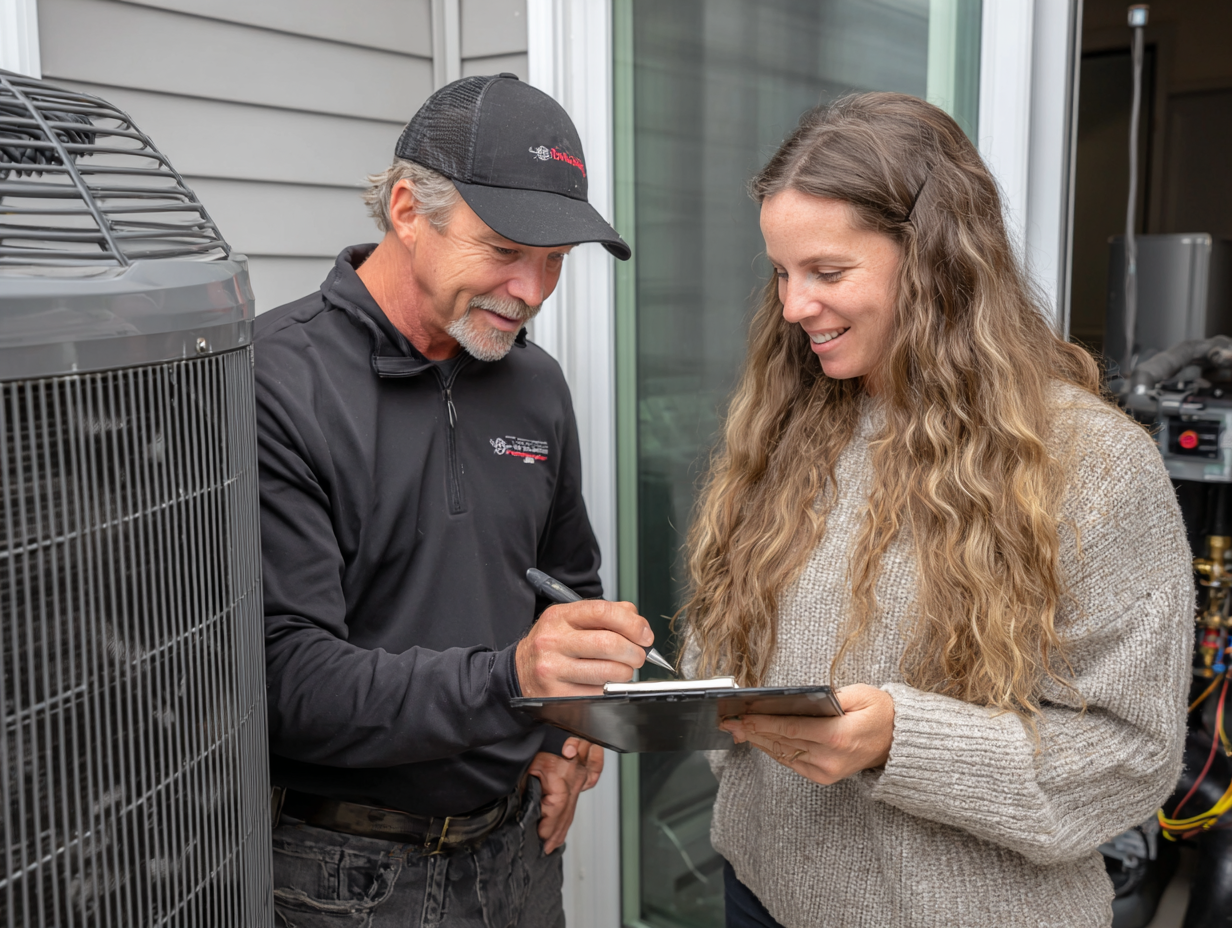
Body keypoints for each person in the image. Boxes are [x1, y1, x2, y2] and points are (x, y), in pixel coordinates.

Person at [683, 92, 1194, 928]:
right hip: (762, 897)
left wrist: (901, 741)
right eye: (782, 272)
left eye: (827, 272)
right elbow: (733, 642)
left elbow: (1132, 758)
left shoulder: (1092, 463)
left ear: (933, 261)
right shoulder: (786, 428)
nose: (792, 308)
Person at [256, 74, 653, 927]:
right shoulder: (272, 382)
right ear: (407, 209)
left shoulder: (536, 383)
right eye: (507, 249)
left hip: (519, 849)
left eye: (554, 261)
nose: (534, 291)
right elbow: (283, 681)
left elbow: (565, 581)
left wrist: (562, 729)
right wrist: (515, 680)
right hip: (343, 874)